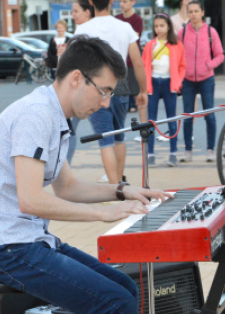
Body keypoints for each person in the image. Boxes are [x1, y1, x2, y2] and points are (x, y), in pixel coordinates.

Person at [0, 35, 172, 314]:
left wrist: (124, 191)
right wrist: (101, 214)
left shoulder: (55, 115)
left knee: (126, 289)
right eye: (104, 91)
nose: (106, 103)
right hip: (3, 249)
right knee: (115, 303)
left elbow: (67, 187)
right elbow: (30, 199)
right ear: (77, 78)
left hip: (28, 241)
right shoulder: (35, 115)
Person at [75, 0, 148, 184]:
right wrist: (143, 90)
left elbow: (76, 64)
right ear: (112, 1)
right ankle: (119, 183)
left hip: (95, 87)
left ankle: (115, 187)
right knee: (119, 136)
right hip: (121, 85)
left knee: (105, 140)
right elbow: (137, 62)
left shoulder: (83, 29)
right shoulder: (125, 27)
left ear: (91, 2)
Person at [178, 0, 224, 163]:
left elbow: (220, 55)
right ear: (187, 13)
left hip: (207, 79)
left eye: (196, 11)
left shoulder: (211, 32)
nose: (193, 14)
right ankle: (188, 150)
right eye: (190, 11)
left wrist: (208, 65)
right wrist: (180, 73)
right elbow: (177, 56)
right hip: (188, 80)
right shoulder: (182, 33)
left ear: (202, 12)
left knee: (209, 115)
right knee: (188, 115)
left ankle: (210, 150)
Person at [142, 13, 186, 167]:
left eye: (162, 25)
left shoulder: (177, 45)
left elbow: (182, 66)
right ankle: (151, 154)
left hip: (169, 84)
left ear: (168, 26)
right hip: (153, 83)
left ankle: (173, 154)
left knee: (171, 119)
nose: (159, 29)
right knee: (151, 120)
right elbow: (143, 65)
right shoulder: (149, 45)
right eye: (156, 26)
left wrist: (178, 83)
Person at [67, 0, 95, 165]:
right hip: (88, 85)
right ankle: (115, 176)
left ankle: (65, 168)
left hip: (84, 87)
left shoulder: (85, 31)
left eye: (76, 11)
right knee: (110, 132)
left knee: (68, 130)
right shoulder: (83, 30)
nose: (73, 15)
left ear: (87, 12)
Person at [115, 0, 143, 115]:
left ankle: (135, 106)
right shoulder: (116, 18)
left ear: (133, 2)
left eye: (125, 1)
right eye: (121, 1)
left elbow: (135, 36)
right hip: (119, 60)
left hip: (132, 59)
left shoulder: (137, 19)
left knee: (134, 88)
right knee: (120, 90)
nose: (122, 4)